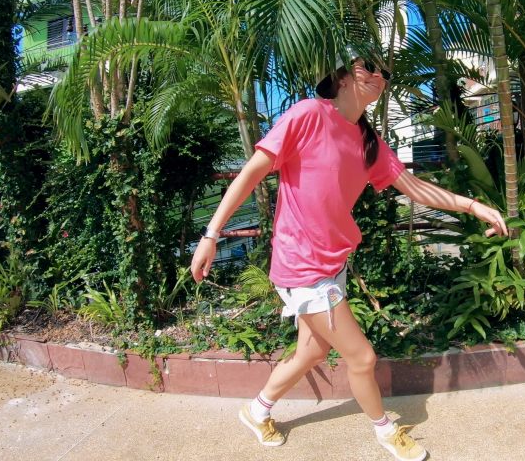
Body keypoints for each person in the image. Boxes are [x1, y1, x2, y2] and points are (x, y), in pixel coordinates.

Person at [190, 47, 507, 461]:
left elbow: (414, 189)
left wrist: (474, 205)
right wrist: (212, 234)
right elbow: (253, 170)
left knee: (313, 351)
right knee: (362, 356)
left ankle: (256, 410)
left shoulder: (369, 141)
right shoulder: (308, 113)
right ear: (342, 76)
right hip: (301, 263)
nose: (379, 75)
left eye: (385, 72)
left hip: (332, 262)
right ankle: (385, 431)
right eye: (368, 67)